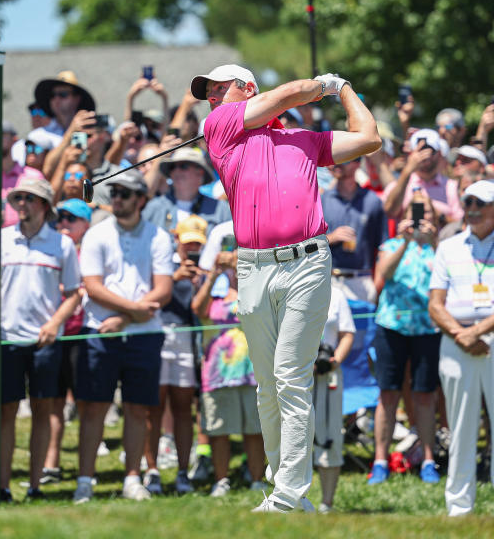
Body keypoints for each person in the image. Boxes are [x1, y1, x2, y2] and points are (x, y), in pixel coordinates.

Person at [194, 63, 380, 512]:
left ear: (248, 88)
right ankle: (283, 486)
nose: (213, 97)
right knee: (267, 385)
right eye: (209, 92)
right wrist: (325, 85)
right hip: (254, 268)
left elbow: (369, 137)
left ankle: (289, 494)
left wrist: (346, 88)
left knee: (289, 378)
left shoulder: (304, 142)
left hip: (308, 264)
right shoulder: (218, 128)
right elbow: (292, 93)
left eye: (221, 88)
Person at [73, 169, 173, 503]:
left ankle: (132, 477)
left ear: (141, 200)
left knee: (137, 410)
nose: (116, 198)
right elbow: (93, 287)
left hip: (143, 335)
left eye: (124, 194)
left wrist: (123, 318)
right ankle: (85, 481)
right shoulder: (96, 234)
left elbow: (164, 288)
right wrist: (131, 313)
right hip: (100, 331)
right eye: (113, 192)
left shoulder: (159, 236)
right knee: (94, 409)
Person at [0, 179, 81, 501]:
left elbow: (75, 294)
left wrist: (55, 323)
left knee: (42, 410)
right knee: (5, 412)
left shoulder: (62, 245)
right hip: (6, 338)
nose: (22, 203)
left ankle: (35, 486)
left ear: (44, 205)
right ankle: (3, 486)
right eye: (18, 197)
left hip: (46, 341)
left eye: (30, 198)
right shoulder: (1, 239)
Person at [428, 180, 494, 516]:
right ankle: (458, 508)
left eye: (481, 202)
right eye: (468, 201)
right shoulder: (448, 247)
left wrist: (478, 330)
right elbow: (435, 304)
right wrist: (461, 334)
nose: (473, 208)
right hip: (457, 343)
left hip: (487, 338)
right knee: (461, 426)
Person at [369, 193, 441, 485]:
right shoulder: (392, 245)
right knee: (388, 395)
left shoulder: (442, 249)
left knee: (425, 395)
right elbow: (383, 274)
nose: (419, 219)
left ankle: (428, 460)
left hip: (427, 328)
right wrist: (407, 241)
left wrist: (432, 242)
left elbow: (447, 276)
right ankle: (380, 461)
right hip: (392, 326)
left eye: (425, 213)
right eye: (413, 213)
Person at [192, 220, 267, 498]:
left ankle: (257, 479)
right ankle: (221, 480)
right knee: (219, 430)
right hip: (218, 372)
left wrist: (243, 272)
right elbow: (197, 309)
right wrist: (214, 272)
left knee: (254, 429)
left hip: (253, 370)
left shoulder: (258, 283)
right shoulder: (216, 291)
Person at [146, 215, 207, 496]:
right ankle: (152, 470)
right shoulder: (162, 264)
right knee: (153, 407)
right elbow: (151, 294)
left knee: (183, 407)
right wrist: (174, 277)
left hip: (185, 335)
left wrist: (201, 280)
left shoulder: (202, 269)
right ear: (176, 241)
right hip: (159, 332)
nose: (191, 249)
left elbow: (199, 308)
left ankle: (183, 472)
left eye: (196, 244)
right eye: (187, 243)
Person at [43, 197, 91, 484]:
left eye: (71, 219)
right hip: (55, 332)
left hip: (82, 333)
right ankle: (51, 465)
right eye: (59, 218)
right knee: (53, 402)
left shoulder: (89, 251)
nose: (63, 224)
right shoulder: (53, 249)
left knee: (87, 403)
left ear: (85, 224)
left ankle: (86, 468)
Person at [312, 285, 356, 513]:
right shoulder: (284, 286)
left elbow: (347, 333)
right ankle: (287, 497)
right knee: (289, 435)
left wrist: (335, 360)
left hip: (328, 372)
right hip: (293, 373)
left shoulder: (337, 293)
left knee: (329, 435)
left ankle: (326, 502)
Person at [322, 157, 387, 305]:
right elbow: (307, 244)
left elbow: (383, 247)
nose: (335, 164)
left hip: (362, 282)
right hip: (327, 280)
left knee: (362, 328)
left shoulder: (373, 201)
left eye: (342, 159)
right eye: (332, 159)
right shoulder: (322, 199)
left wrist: (376, 286)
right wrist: (331, 238)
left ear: (356, 164)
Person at [143, 147, 231, 235]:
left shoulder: (220, 210)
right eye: (173, 167)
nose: (177, 171)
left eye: (183, 166)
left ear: (200, 173)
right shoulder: (153, 208)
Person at [383, 129, 462, 223]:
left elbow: (460, 224)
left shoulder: (452, 187)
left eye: (430, 150)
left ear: (439, 153)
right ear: (411, 153)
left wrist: (434, 214)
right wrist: (408, 170)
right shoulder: (399, 184)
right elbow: (390, 211)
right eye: (420, 151)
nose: (425, 156)